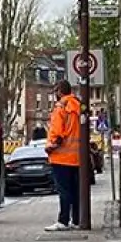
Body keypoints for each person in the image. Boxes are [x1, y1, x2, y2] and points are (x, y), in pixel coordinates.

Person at [44, 80, 83, 231]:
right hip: (77, 157)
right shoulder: (78, 106)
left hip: (61, 157)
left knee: (64, 191)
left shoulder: (60, 108)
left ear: (60, 92)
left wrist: (51, 146)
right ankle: (77, 220)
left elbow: (57, 132)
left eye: (55, 92)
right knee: (75, 191)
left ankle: (63, 221)